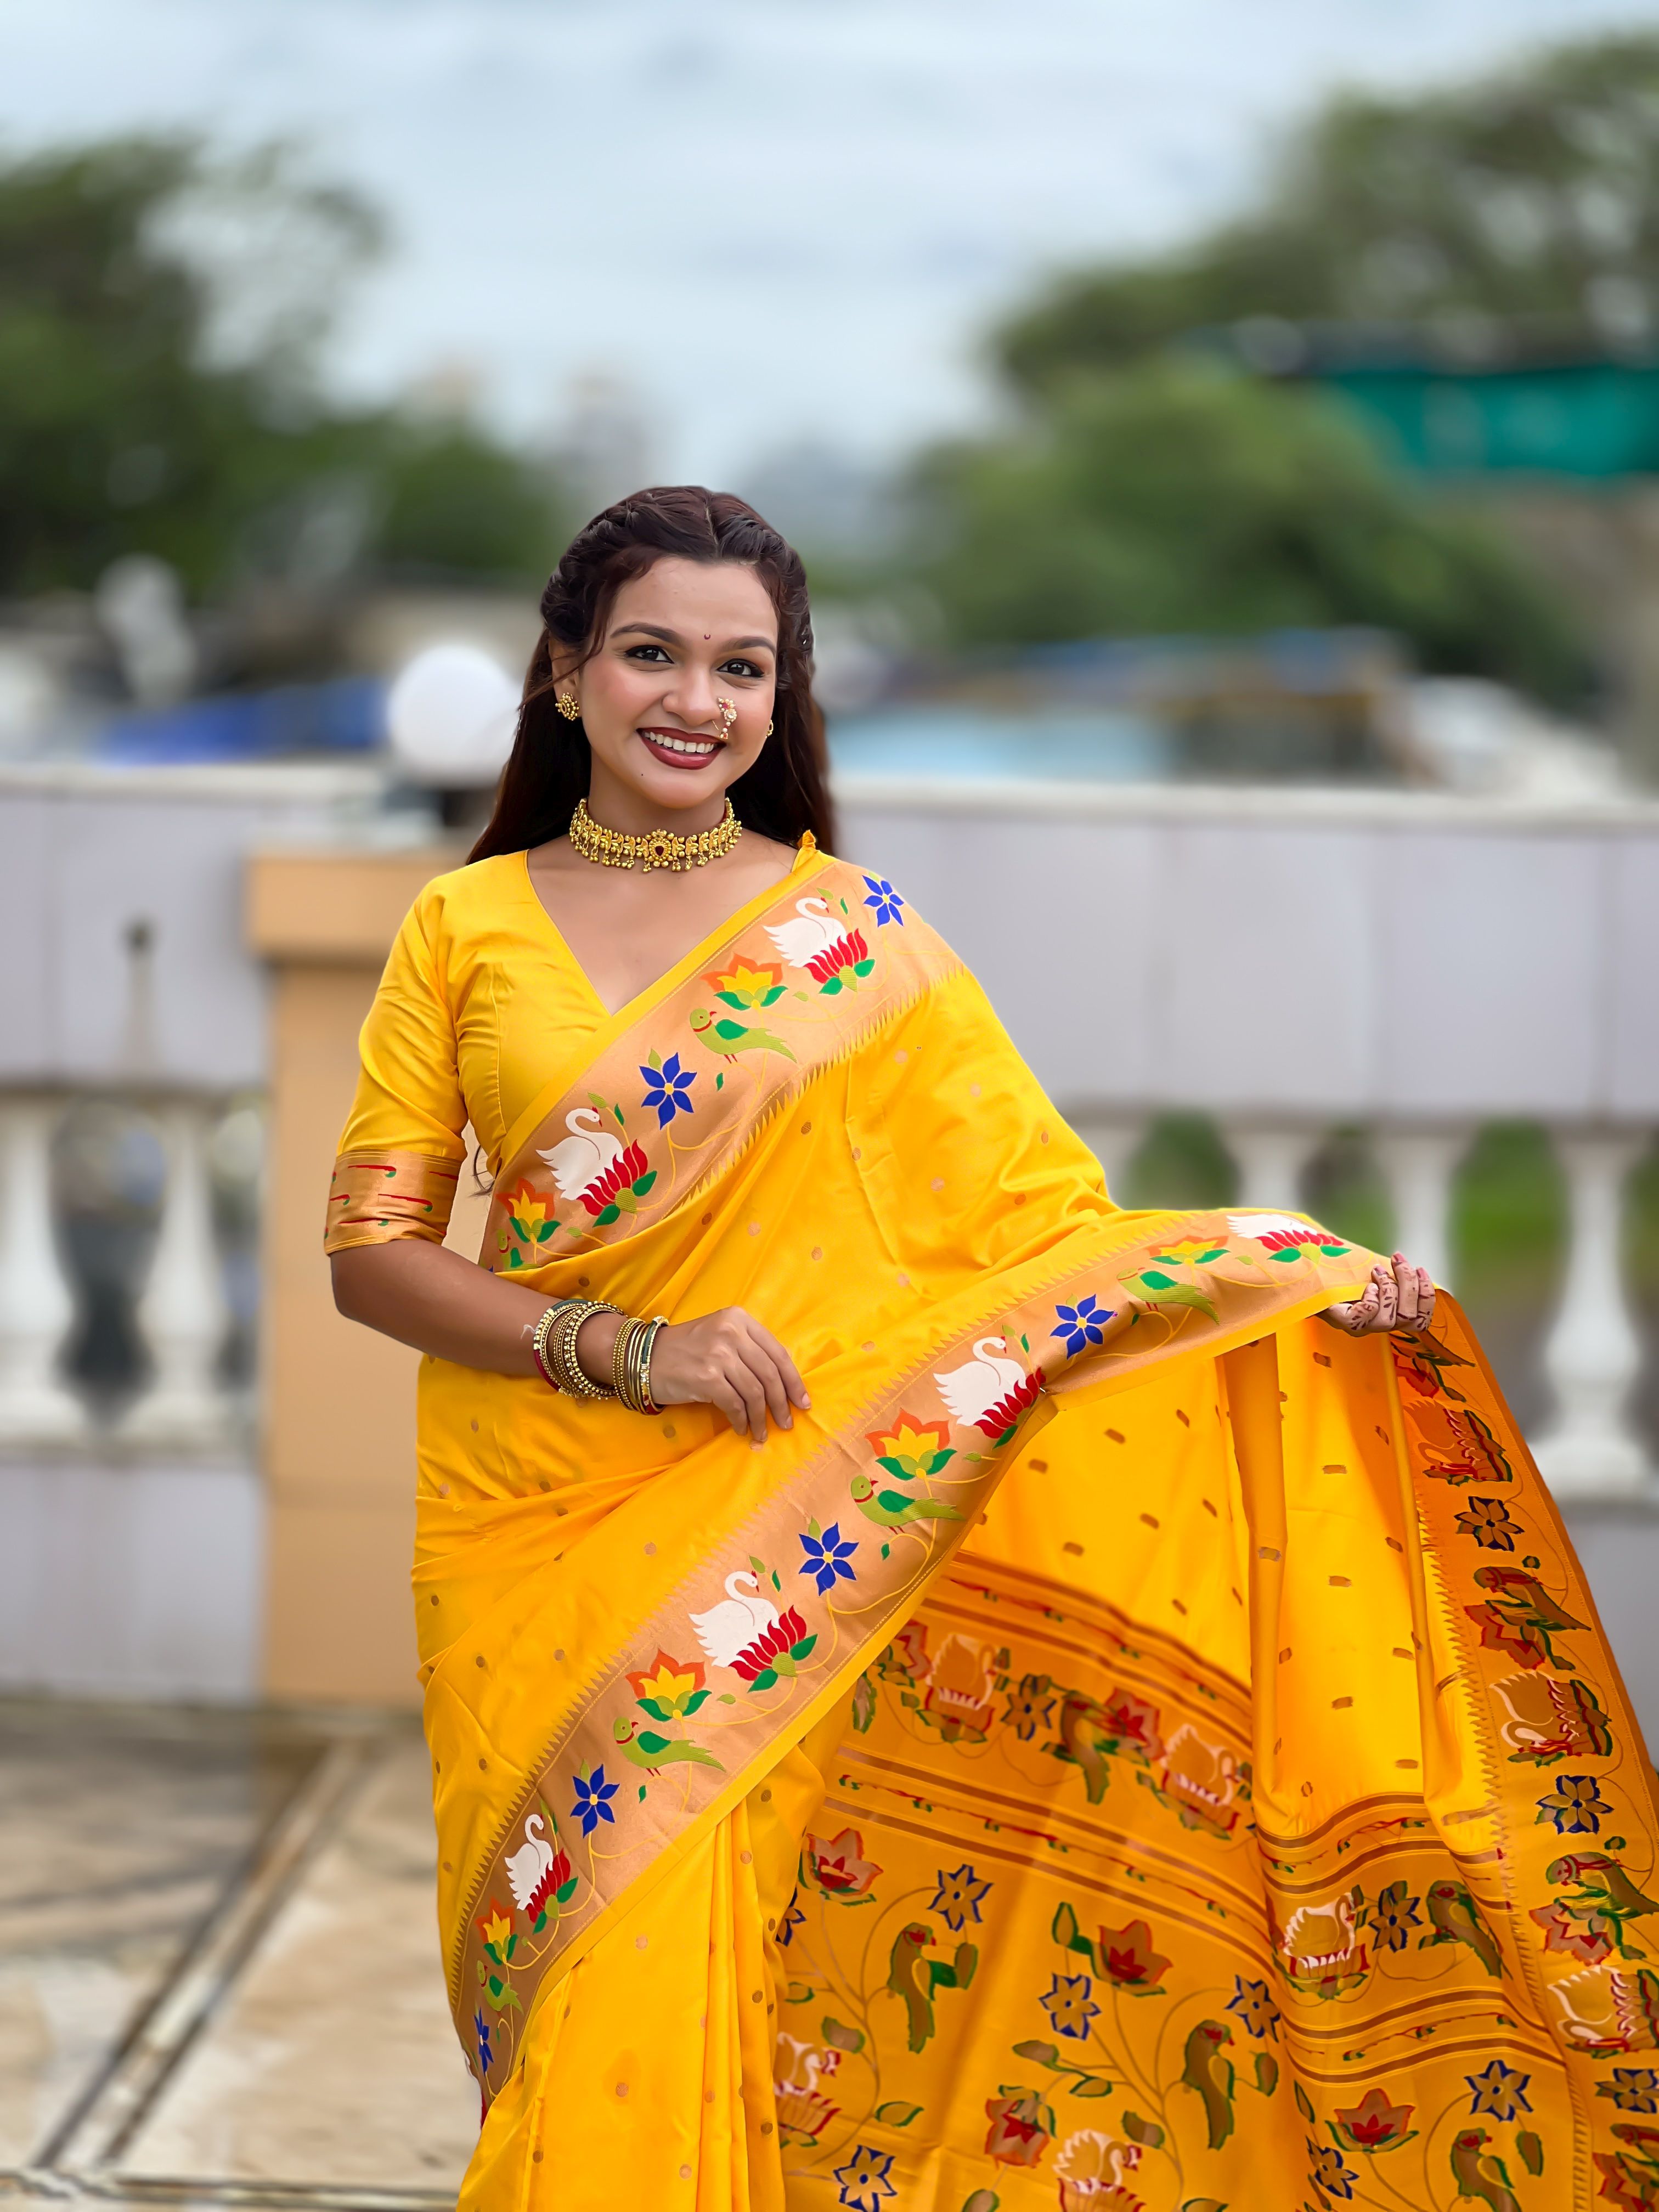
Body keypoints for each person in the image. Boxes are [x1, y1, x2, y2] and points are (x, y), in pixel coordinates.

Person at [328, 487, 1657, 2212]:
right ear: (568, 671)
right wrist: (630, 1349)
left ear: (783, 698)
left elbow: (1040, 1232)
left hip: (778, 1523)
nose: (697, 700)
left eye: (743, 668)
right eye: (652, 653)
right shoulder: (465, 928)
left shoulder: (855, 943)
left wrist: (1285, 1282)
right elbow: (374, 1255)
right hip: (535, 1523)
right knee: (580, 1965)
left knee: (692, 1965)